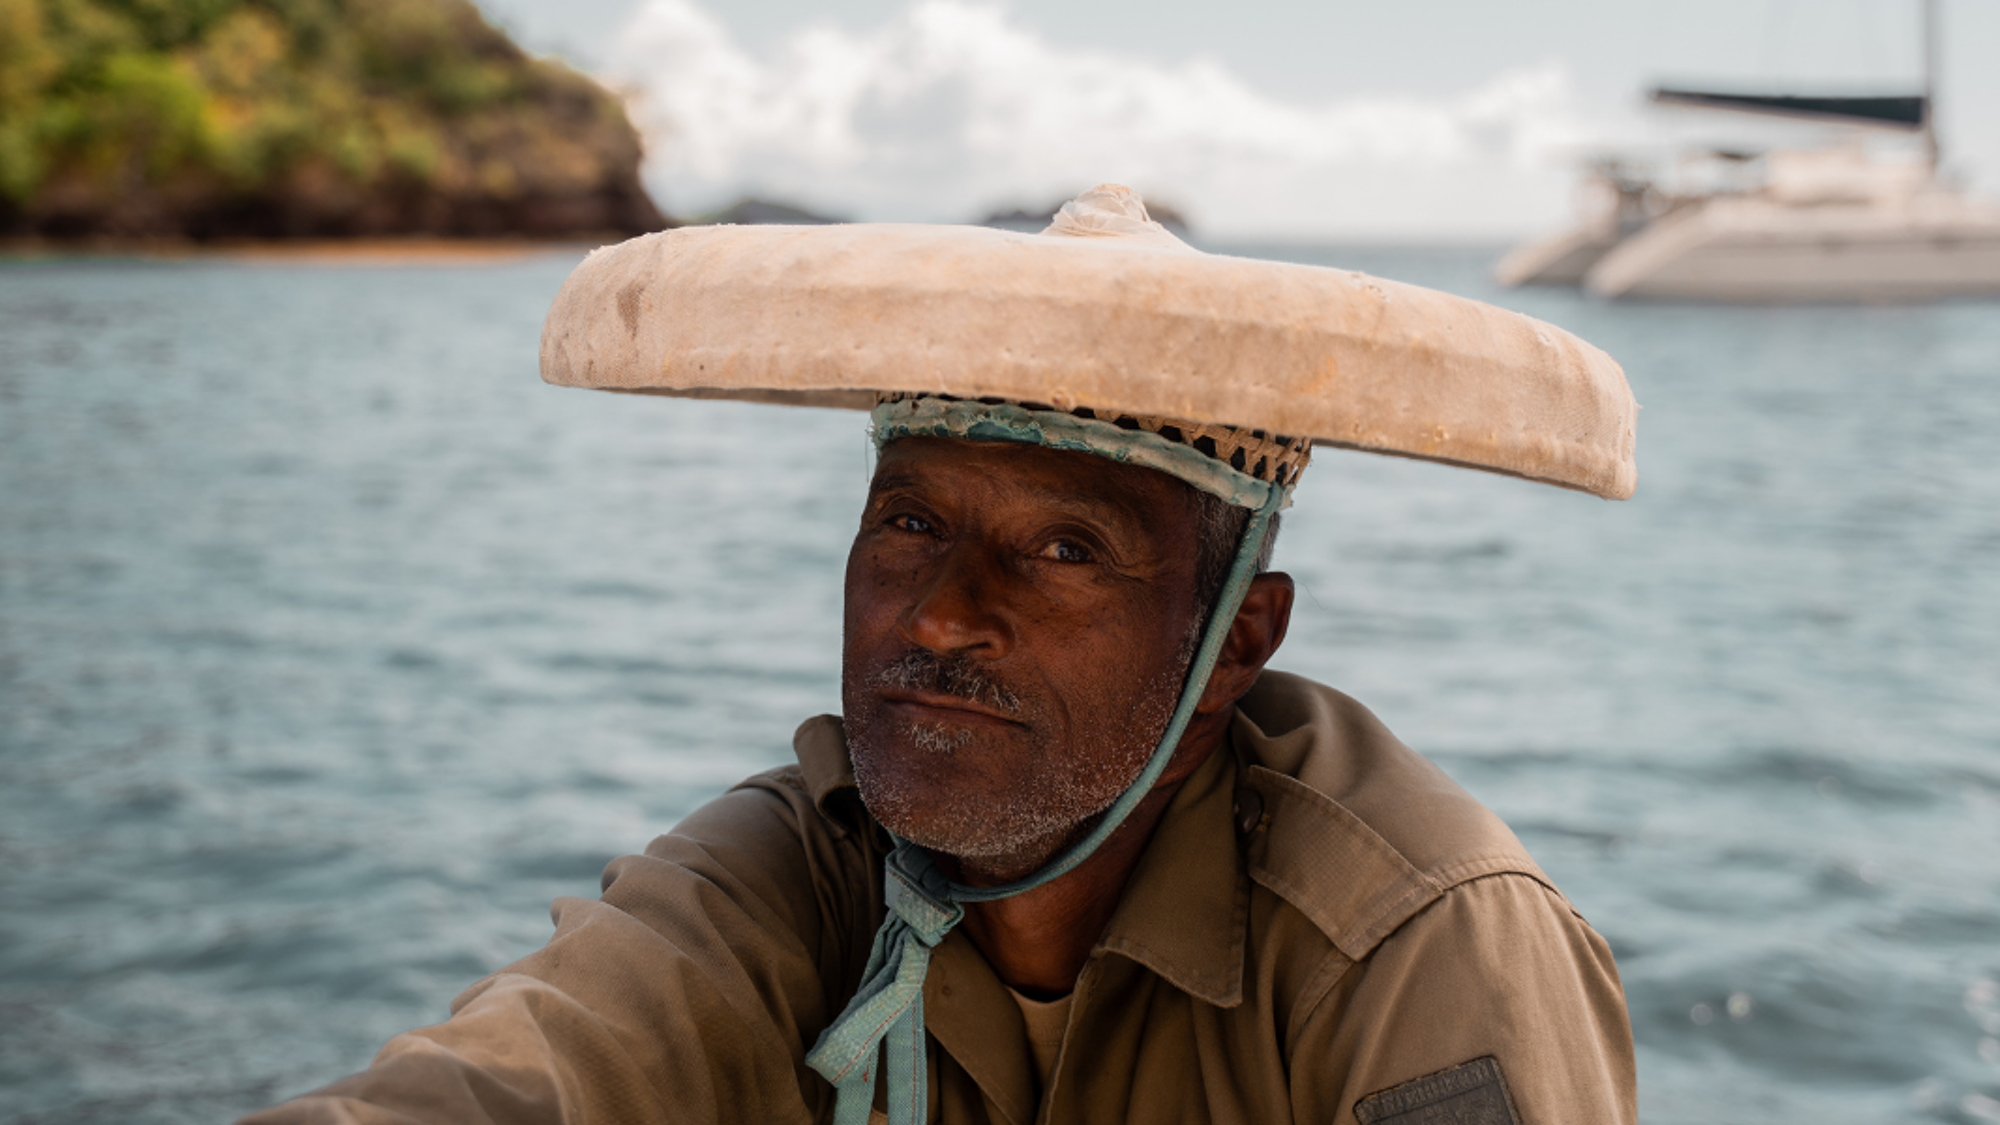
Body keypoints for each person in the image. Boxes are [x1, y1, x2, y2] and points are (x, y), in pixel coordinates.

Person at [245, 186, 1639, 1125]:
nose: (938, 617)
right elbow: (521, 1071)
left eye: (1066, 551)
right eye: (910, 522)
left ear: (1236, 646)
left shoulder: (1419, 937)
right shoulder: (814, 855)